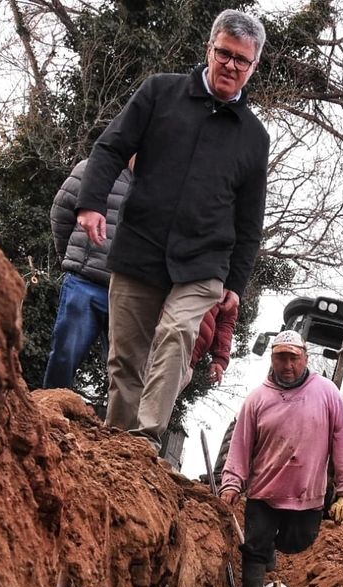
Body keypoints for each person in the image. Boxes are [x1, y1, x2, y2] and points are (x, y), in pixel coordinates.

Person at [75, 9, 269, 450]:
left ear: (253, 67)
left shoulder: (254, 137)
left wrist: (235, 282)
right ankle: (117, 443)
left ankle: (144, 439)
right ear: (210, 48)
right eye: (225, 54)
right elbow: (111, 147)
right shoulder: (160, 93)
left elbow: (249, 218)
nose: (231, 66)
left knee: (176, 333)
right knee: (126, 356)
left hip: (204, 261)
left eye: (242, 61)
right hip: (141, 243)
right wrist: (90, 204)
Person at [219, 330, 343, 587]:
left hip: (307, 492)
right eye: (280, 358)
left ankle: (271, 549)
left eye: (293, 358)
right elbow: (241, 445)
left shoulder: (327, 393)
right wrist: (232, 483)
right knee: (256, 543)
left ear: (305, 358)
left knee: (298, 541)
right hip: (264, 490)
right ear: (272, 359)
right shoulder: (257, 399)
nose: (287, 365)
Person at [43, 158, 133, 389]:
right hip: (85, 282)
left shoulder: (159, 183)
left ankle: (118, 423)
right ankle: (51, 407)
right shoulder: (94, 168)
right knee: (65, 354)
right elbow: (61, 210)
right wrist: (72, 257)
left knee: (126, 370)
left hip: (129, 291)